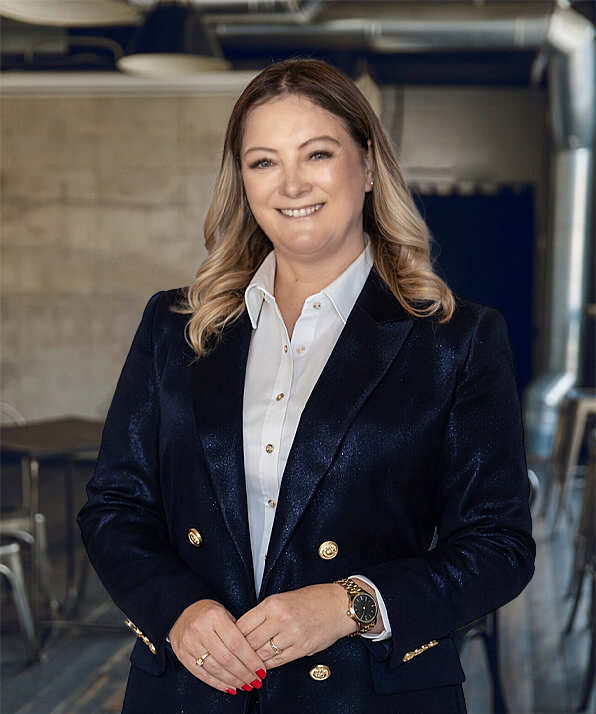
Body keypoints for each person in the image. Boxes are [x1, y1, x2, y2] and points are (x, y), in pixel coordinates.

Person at [77, 58, 535, 714]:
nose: (291, 184)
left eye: (317, 153)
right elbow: (115, 507)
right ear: (242, 181)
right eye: (263, 161)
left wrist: (351, 604)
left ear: (368, 164)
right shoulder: (175, 326)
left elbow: (498, 548)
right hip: (190, 689)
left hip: (366, 694)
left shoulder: (456, 339)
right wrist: (176, 610)